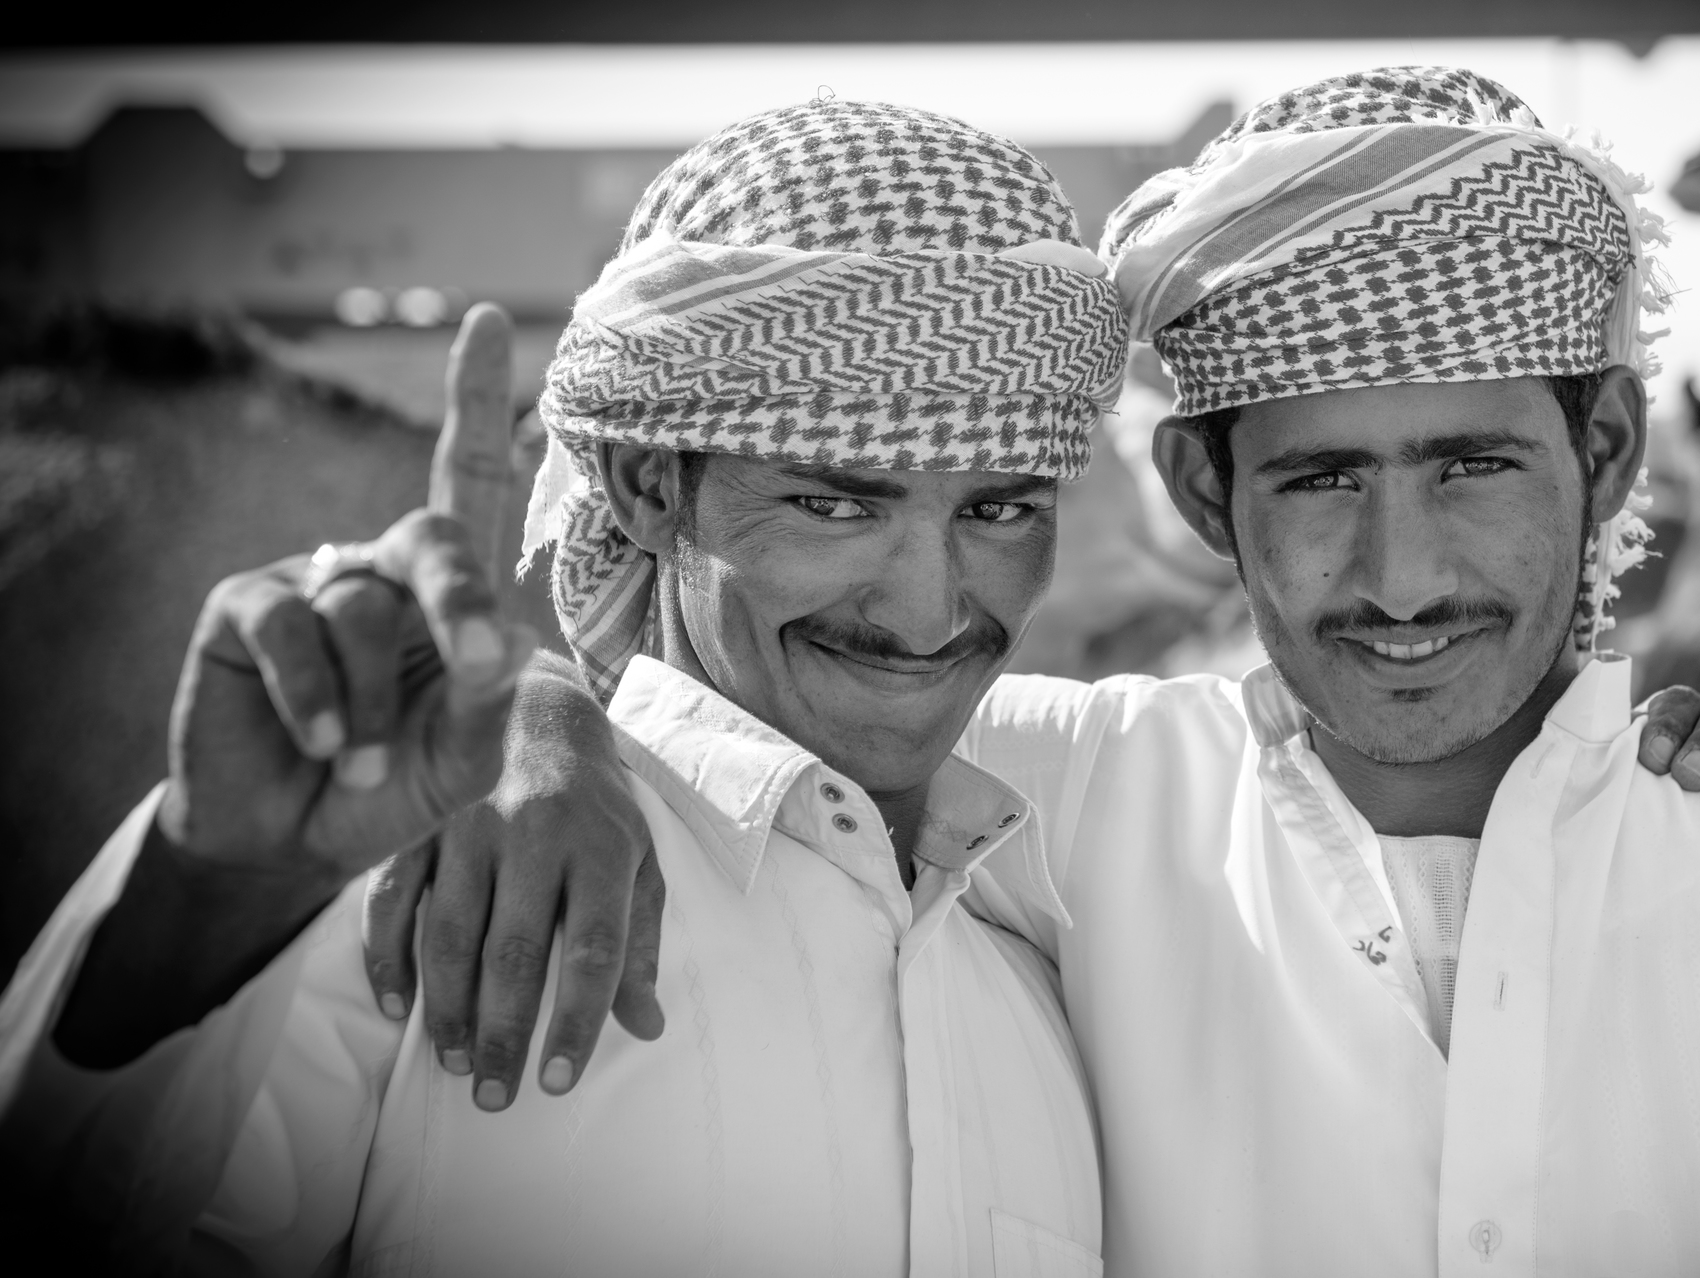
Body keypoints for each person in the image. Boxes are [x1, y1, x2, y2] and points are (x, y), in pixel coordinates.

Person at [389, 70, 1700, 1274]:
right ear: (1201, 489)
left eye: (1474, 465)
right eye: (1320, 478)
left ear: (1614, 463)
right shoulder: (1035, 807)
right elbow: (740, 733)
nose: (1399, 577)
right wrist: (542, 722)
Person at [0, 99, 1149, 1275]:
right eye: (834, 502)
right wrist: (213, 887)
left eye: (999, 510)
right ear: (651, 488)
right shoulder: (444, 888)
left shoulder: (1047, 976)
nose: (930, 612)